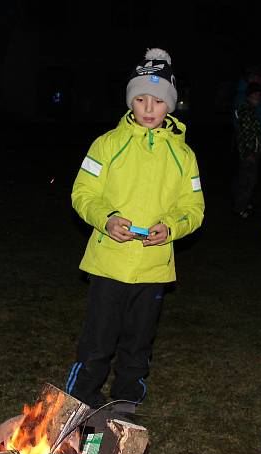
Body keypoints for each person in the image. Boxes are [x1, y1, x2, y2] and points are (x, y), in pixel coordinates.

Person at [65, 48, 205, 411]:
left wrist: (171, 227)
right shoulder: (107, 145)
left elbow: (194, 208)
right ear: (130, 100)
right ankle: (82, 396)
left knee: (139, 339)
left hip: (153, 266)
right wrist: (106, 218)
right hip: (109, 263)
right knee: (98, 339)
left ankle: (127, 398)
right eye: (140, 98)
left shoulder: (183, 155)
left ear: (170, 105)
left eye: (157, 101)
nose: (147, 108)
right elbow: (83, 193)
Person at [233, 83, 261, 218]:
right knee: (246, 181)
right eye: (256, 94)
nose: (258, 97)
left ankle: (244, 204)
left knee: (250, 180)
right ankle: (239, 208)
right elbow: (246, 133)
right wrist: (249, 153)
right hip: (249, 153)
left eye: (259, 94)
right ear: (251, 95)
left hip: (253, 152)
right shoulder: (246, 110)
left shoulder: (251, 109)